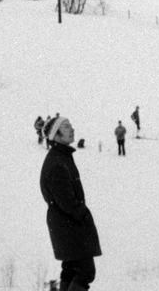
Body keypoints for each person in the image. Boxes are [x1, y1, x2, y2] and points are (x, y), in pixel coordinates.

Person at [40, 116, 101, 291]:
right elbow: (66, 201)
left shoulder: (60, 157)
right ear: (56, 135)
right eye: (66, 127)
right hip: (70, 225)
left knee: (71, 270)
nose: (72, 129)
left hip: (65, 225)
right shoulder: (57, 163)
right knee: (85, 272)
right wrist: (84, 215)